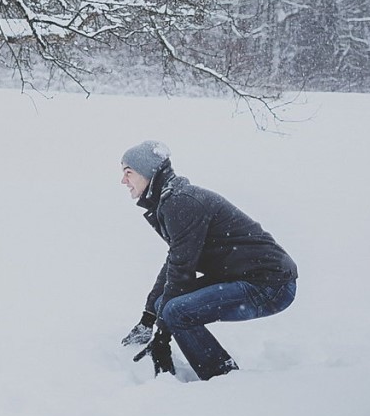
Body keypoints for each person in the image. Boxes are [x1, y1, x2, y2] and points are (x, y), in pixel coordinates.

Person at [118, 140, 298, 381]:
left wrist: (162, 335)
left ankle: (223, 379)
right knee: (166, 305)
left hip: (270, 284)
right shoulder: (171, 201)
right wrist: (149, 317)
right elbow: (176, 260)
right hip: (247, 276)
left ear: (148, 173)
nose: (123, 181)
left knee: (176, 311)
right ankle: (217, 370)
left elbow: (182, 269)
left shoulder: (181, 202)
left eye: (128, 173)